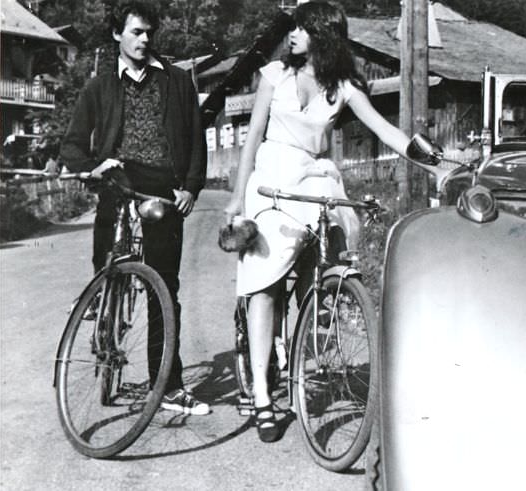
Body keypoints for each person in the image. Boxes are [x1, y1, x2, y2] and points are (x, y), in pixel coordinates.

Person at [224, 0, 414, 442]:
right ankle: (263, 398)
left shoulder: (342, 87)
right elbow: (251, 139)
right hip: (271, 177)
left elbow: (387, 131)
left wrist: (434, 160)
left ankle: (329, 298)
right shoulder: (275, 75)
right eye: (293, 29)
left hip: (311, 173)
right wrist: (236, 197)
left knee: (337, 229)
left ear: (323, 36)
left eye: (302, 29)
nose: (292, 36)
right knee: (265, 283)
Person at [60, 1, 209, 415]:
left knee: (165, 288)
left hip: (162, 189)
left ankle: (169, 385)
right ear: (116, 35)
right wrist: (92, 166)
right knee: (108, 268)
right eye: (135, 32)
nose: (144, 40)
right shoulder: (99, 88)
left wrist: (192, 187)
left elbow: (197, 139)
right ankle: (101, 307)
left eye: (148, 33)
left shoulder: (177, 82)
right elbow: (71, 144)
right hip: (117, 181)